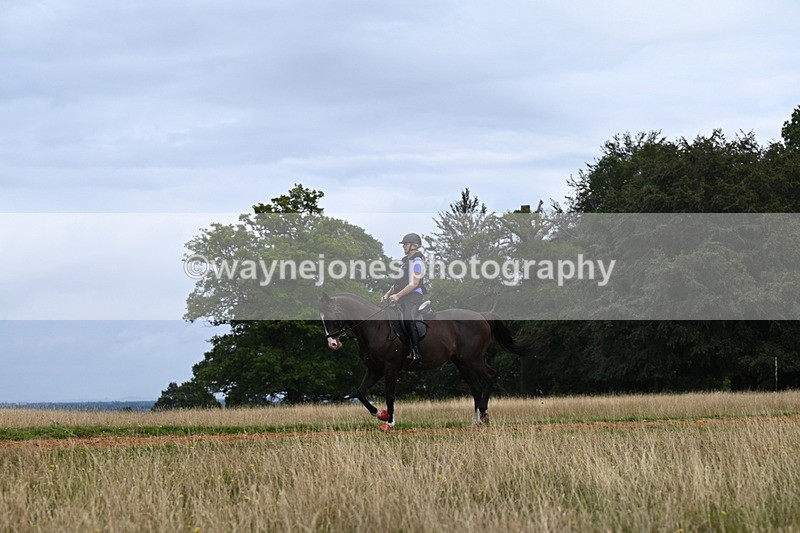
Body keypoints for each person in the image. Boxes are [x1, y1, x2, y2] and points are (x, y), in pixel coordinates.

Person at [381, 232, 426, 361]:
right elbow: (397, 283)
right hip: (402, 296)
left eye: (406, 244)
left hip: (413, 296)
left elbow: (414, 283)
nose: (403, 246)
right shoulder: (404, 262)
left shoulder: (418, 262)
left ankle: (416, 352)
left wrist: (398, 295)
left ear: (414, 245)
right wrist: (387, 294)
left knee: (408, 319)